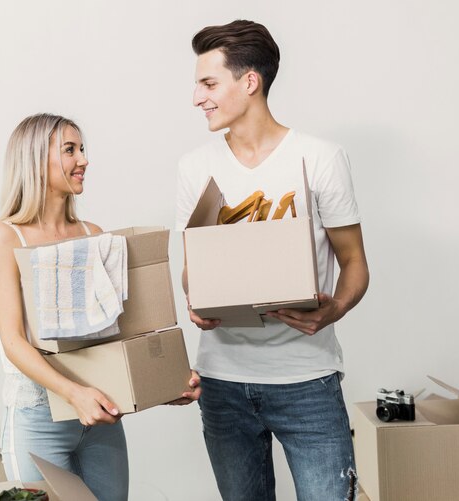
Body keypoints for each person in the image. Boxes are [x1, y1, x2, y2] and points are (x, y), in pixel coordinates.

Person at [175, 20, 370, 501]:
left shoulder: (320, 158)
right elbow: (190, 265)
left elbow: (355, 263)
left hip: (306, 381)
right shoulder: (195, 167)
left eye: (208, 83)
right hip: (222, 381)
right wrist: (194, 298)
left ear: (249, 81)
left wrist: (334, 308)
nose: (197, 97)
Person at [0, 113, 125, 500]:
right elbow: (13, 342)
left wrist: (164, 380)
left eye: (82, 149)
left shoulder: (93, 235)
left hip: (99, 417)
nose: (84, 160)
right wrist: (74, 393)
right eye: (69, 150)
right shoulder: (4, 239)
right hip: (38, 421)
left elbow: (116, 334)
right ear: (34, 161)